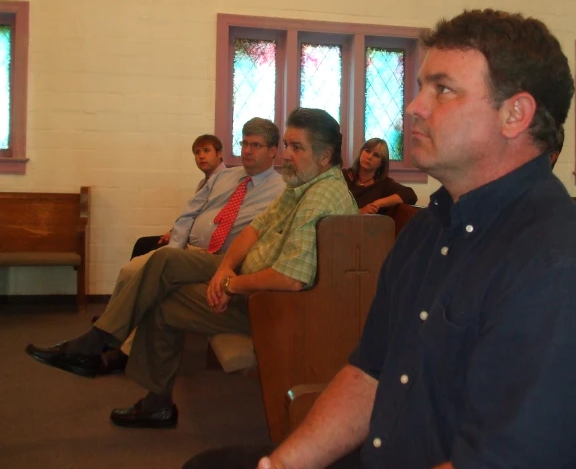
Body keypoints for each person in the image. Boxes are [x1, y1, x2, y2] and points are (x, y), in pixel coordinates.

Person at [186, 10, 576, 469]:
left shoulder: (564, 271)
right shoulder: (430, 228)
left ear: (515, 114)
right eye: (421, 86)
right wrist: (284, 465)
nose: (414, 106)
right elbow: (371, 373)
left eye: (442, 89)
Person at [25, 108, 358, 429]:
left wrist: (231, 286)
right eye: (287, 145)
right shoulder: (301, 185)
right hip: (243, 275)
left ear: (326, 156)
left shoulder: (320, 197)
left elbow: (292, 279)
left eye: (296, 147)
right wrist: (226, 267)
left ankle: (146, 396)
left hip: (274, 306)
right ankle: (98, 343)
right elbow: (255, 228)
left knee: (166, 302)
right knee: (164, 260)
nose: (286, 154)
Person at [96, 118, 286, 375]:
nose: (247, 150)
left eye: (256, 145)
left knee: (155, 281)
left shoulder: (281, 191)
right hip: (187, 251)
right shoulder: (224, 177)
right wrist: (174, 250)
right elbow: (188, 214)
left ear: (273, 150)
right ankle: (110, 337)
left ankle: (119, 349)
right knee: (131, 270)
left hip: (221, 259)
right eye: (244, 143)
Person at [130, 134, 228, 258]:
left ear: (219, 154)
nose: (201, 156)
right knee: (143, 245)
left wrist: (177, 235)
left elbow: (207, 218)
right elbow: (193, 214)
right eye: (197, 152)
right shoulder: (203, 183)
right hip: (191, 235)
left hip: (206, 242)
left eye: (206, 151)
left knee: (146, 248)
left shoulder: (226, 181)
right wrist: (174, 232)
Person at [342, 138, 417, 214]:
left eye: (376, 155)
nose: (369, 157)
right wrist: (358, 212)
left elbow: (410, 195)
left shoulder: (383, 183)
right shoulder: (343, 175)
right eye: (367, 151)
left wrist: (377, 203)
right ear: (361, 152)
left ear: (381, 163)